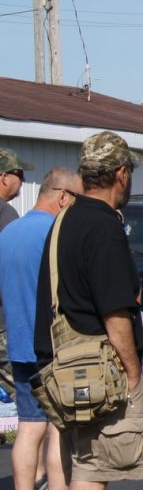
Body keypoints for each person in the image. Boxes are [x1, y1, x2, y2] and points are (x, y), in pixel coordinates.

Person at [34, 131, 143, 490]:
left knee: (83, 466)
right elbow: (117, 311)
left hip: (65, 366)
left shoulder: (66, 219)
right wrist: (133, 369)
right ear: (121, 174)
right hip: (97, 372)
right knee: (93, 471)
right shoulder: (102, 226)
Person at [3, 167, 81, 490]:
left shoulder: (8, 232)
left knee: (27, 427)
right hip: (52, 345)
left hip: (17, 342)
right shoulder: (55, 232)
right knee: (59, 430)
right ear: (62, 196)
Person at [0, 147, 32, 416]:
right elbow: (15, 266)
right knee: (25, 390)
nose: (21, 180)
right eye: (19, 174)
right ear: (3, 177)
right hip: (2, 318)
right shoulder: (5, 215)